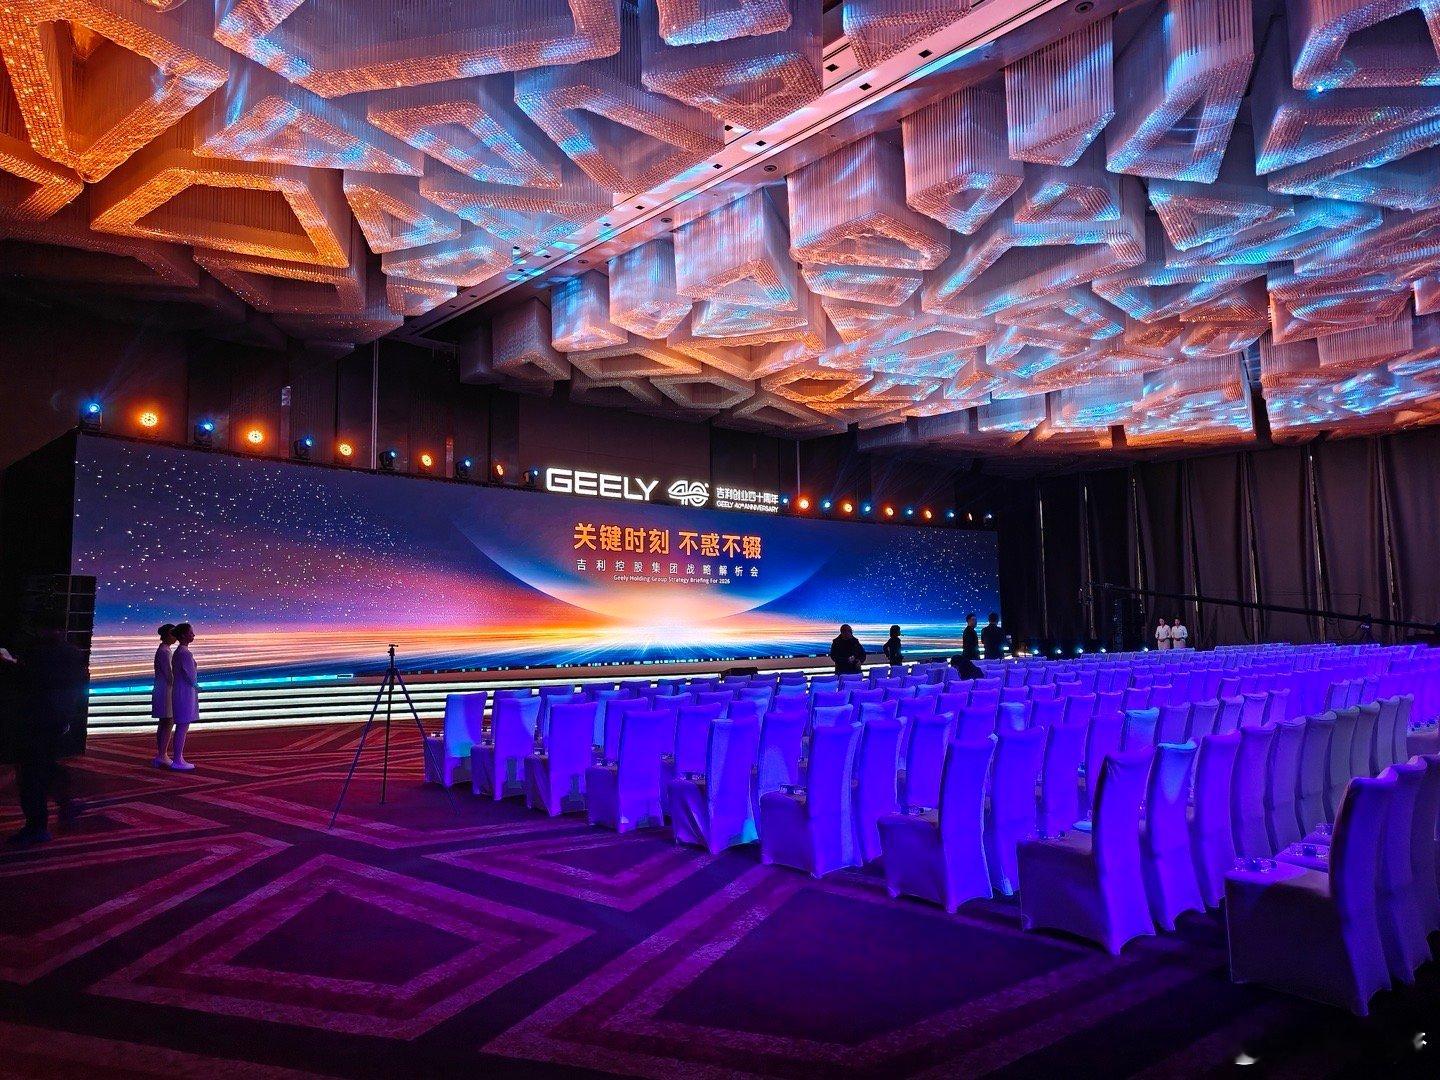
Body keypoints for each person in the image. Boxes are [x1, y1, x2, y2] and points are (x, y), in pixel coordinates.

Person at [7, 627, 85, 846]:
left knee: (32, 773)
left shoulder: (40, 655)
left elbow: (30, 682)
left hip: (36, 719)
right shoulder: (71, 653)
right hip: (58, 718)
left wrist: (11, 666)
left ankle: (38, 826)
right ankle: (65, 801)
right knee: (44, 765)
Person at [169, 623, 199, 771]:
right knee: (182, 726)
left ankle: (178, 758)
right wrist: (196, 686)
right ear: (183, 635)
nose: (193, 635)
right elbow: (190, 675)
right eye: (191, 633)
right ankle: (177, 759)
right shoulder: (185, 653)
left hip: (181, 690)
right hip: (185, 692)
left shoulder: (179, 652)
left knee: (182, 726)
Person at [151, 623, 176, 768]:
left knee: (164, 722)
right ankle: (162, 754)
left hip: (161, 689)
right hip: (166, 690)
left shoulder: (163, 650)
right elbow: (169, 674)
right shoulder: (165, 652)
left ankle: (162, 753)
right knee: (168, 721)